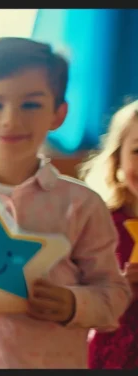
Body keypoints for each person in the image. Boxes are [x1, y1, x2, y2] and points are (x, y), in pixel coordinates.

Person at [0, 37, 131, 368]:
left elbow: (114, 294)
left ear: (58, 114)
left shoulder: (82, 205)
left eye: (30, 104)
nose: (10, 120)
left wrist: (74, 303)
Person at [79, 99, 138, 369]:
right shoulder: (100, 223)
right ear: (117, 160)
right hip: (112, 356)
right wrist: (118, 289)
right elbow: (81, 298)